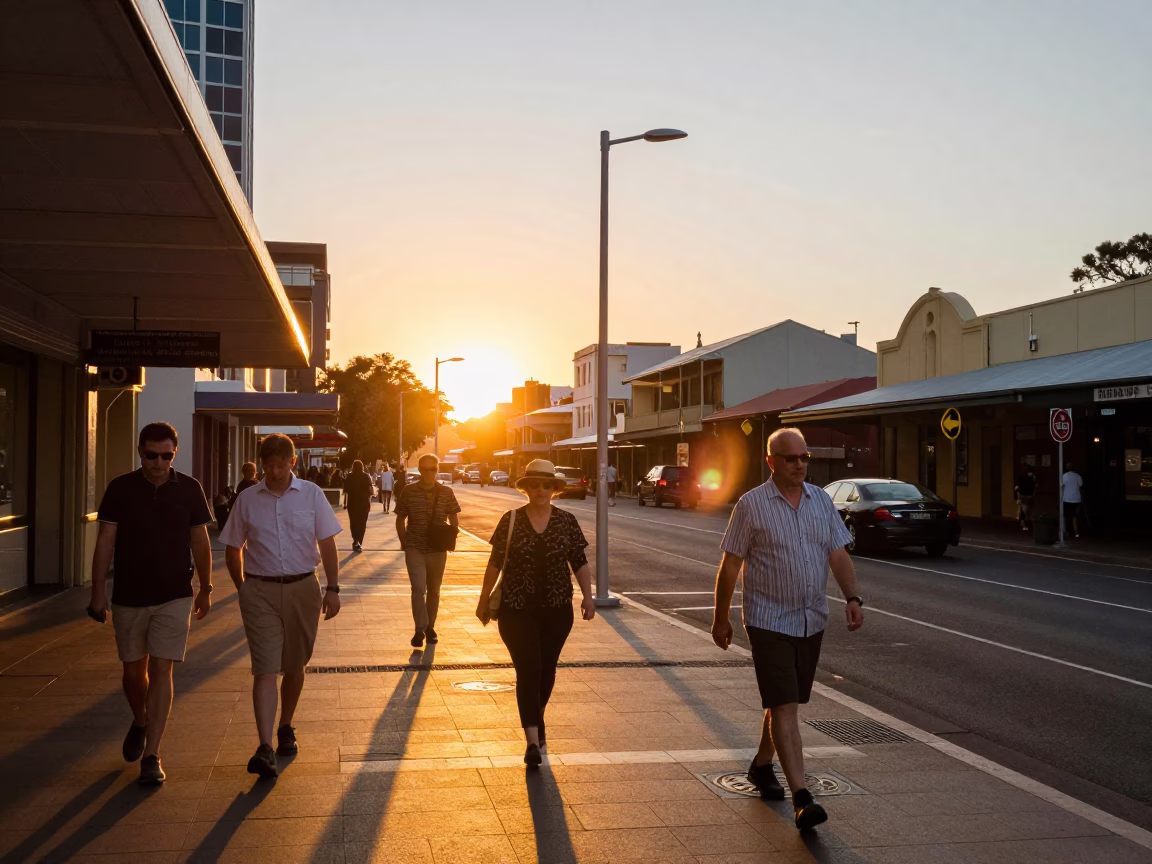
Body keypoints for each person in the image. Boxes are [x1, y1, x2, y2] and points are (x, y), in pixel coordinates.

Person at [711, 428, 863, 832]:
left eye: (804, 457)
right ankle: (802, 798)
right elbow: (730, 564)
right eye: (791, 458)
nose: (800, 464)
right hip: (768, 620)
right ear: (772, 462)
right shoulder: (751, 505)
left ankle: (762, 765)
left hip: (811, 618)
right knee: (785, 706)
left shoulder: (821, 502)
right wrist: (720, 617)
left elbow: (837, 553)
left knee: (786, 700)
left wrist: (852, 598)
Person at [89, 421, 214, 785]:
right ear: (140, 451)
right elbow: (105, 543)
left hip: (175, 593)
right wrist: (98, 591)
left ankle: (152, 754)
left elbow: (201, 542)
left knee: (162, 668)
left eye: (166, 456)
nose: (158, 462)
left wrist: (205, 587)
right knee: (133, 671)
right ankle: (140, 720)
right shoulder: (120, 489)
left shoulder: (190, 489)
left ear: (175, 454)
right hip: (129, 595)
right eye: (151, 455)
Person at [219, 433, 342, 779]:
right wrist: (243, 588)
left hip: (304, 587)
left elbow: (327, 542)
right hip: (259, 590)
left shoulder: (312, 495)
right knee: (265, 668)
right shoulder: (247, 499)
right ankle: (264, 747)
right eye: (268, 465)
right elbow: (233, 547)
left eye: (280, 464)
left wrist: (332, 588)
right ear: (261, 464)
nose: (273, 471)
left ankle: (285, 724)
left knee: (295, 665)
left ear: (293, 462)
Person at [476, 459, 595, 767]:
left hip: (557, 609)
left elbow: (578, 561)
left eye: (546, 485)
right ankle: (532, 741)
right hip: (516, 608)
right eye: (534, 484)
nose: (540, 490)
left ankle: (536, 723)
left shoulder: (566, 521)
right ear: (526, 488)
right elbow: (495, 561)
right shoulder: (511, 519)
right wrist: (483, 597)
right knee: (529, 669)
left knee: (546, 671)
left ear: (554, 489)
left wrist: (588, 597)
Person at [395, 454, 460, 648]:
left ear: (437, 469)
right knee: (418, 588)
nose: (429, 473)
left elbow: (454, 516)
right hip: (415, 546)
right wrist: (403, 541)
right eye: (424, 469)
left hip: (438, 549)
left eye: (433, 469)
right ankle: (419, 630)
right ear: (419, 470)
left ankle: (430, 627)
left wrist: (452, 537)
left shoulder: (446, 492)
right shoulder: (409, 491)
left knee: (434, 590)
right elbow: (400, 517)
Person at [345, 460, 374, 553]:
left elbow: (346, 491)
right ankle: (359, 542)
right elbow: (371, 490)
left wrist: (345, 503)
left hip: (352, 503)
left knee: (353, 522)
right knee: (362, 523)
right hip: (364, 503)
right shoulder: (366, 476)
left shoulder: (349, 476)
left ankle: (355, 540)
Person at [1062, 461, 1084, 539]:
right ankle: (1076, 532)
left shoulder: (1065, 476)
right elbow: (1081, 486)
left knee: (1065, 516)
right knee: (1074, 516)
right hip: (1076, 498)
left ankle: (1064, 531)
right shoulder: (1078, 476)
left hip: (1067, 498)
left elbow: (1062, 486)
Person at [1014, 467, 1037, 532]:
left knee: (1022, 510)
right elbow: (1035, 486)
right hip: (1027, 496)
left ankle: (1021, 521)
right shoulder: (1032, 478)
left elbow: (1016, 487)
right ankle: (1024, 523)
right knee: (1025, 510)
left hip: (1022, 496)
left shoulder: (1021, 477)